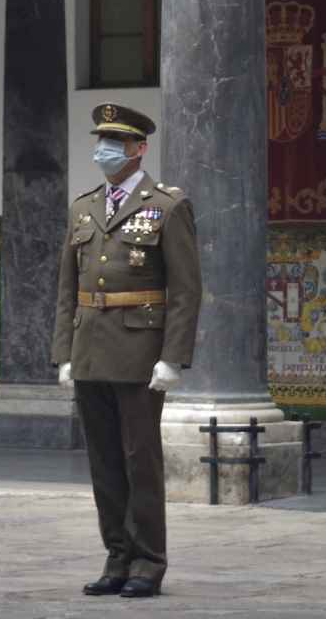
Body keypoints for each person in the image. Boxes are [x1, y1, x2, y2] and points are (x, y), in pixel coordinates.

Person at [51, 103, 199, 600]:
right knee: (104, 461)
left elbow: (184, 289)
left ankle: (148, 562)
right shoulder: (84, 206)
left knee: (140, 460)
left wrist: (172, 357)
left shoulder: (168, 206)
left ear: (140, 149)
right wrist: (64, 353)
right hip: (90, 345)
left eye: (115, 142)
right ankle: (116, 555)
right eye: (101, 141)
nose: (104, 150)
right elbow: (66, 288)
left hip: (139, 348)